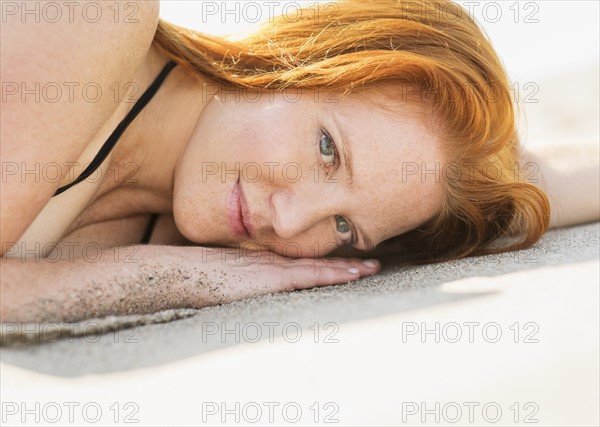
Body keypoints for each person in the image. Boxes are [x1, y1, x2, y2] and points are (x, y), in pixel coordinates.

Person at [2, 0, 598, 323]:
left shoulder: (232, 222)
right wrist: (170, 279)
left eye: (344, 227)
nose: (288, 224)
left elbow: (541, 179)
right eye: (326, 149)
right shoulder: (93, 18)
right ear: (293, 58)